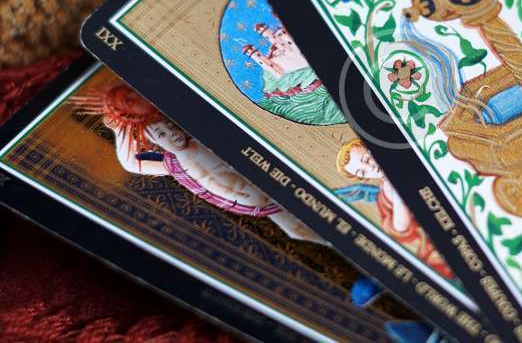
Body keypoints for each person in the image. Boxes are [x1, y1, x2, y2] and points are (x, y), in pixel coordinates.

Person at [69, 84, 323, 244]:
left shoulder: (197, 134)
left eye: (169, 128)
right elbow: (131, 163)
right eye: (129, 101)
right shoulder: (173, 165)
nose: (171, 134)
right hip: (254, 202)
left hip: (270, 181)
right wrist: (120, 130)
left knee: (309, 213)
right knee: (296, 228)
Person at [335, 139, 453, 279]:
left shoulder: (404, 159)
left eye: (367, 159)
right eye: (363, 172)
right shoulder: (383, 196)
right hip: (433, 238)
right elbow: (400, 229)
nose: (370, 169)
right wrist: (397, 192)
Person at [240, 23, 345, 125]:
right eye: (249, 52)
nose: (280, 36)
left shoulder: (283, 48)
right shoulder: (278, 58)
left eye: (281, 34)